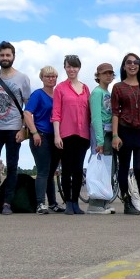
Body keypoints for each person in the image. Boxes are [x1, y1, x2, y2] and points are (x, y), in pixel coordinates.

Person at [0, 41, 30, 216]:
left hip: (13, 128)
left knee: (12, 166)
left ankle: (8, 202)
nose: (5, 58)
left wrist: (23, 129)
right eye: (2, 55)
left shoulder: (22, 78)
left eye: (8, 55)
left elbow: (27, 106)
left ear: (13, 57)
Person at [111, 53, 140, 214]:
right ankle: (126, 201)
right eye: (129, 62)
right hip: (124, 131)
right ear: (124, 66)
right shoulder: (118, 87)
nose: (132, 65)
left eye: (136, 62)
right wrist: (115, 135)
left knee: (138, 168)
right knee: (123, 168)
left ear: (139, 65)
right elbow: (115, 113)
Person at [52, 55, 90, 215]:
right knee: (66, 169)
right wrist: (57, 135)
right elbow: (56, 113)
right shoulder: (60, 88)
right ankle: (68, 202)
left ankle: (75, 202)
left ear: (79, 68)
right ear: (65, 68)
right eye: (68, 66)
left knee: (78, 169)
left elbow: (89, 112)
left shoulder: (85, 88)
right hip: (66, 134)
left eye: (74, 67)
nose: (72, 69)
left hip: (83, 135)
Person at [24, 66, 62, 214]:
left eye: (53, 76)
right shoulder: (38, 95)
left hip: (56, 136)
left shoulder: (58, 95)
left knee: (52, 172)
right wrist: (34, 132)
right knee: (43, 171)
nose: (51, 79)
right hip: (41, 135)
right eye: (48, 76)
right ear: (42, 78)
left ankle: (52, 203)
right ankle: (40, 203)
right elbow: (27, 113)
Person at [87, 62, 116, 214]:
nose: (108, 75)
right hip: (101, 133)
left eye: (110, 73)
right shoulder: (97, 93)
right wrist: (99, 140)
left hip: (109, 133)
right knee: (100, 169)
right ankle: (95, 203)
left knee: (107, 168)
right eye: (105, 73)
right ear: (98, 76)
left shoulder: (107, 93)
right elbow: (96, 117)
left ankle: (103, 201)